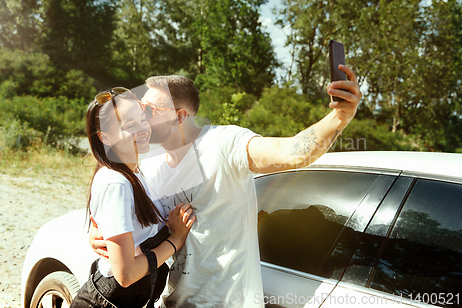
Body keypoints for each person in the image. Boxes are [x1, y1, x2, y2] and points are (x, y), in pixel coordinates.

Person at [90, 67, 362, 307]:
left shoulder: (224, 143)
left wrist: (339, 117)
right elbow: (122, 214)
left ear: (179, 116)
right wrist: (96, 233)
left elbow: (293, 152)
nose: (140, 115)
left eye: (149, 110)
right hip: (172, 300)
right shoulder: (149, 163)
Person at [71, 87, 196, 308]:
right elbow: (126, 274)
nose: (142, 129)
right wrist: (175, 240)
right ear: (105, 137)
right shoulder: (115, 182)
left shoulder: (136, 173)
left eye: (141, 119)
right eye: (129, 125)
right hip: (108, 301)